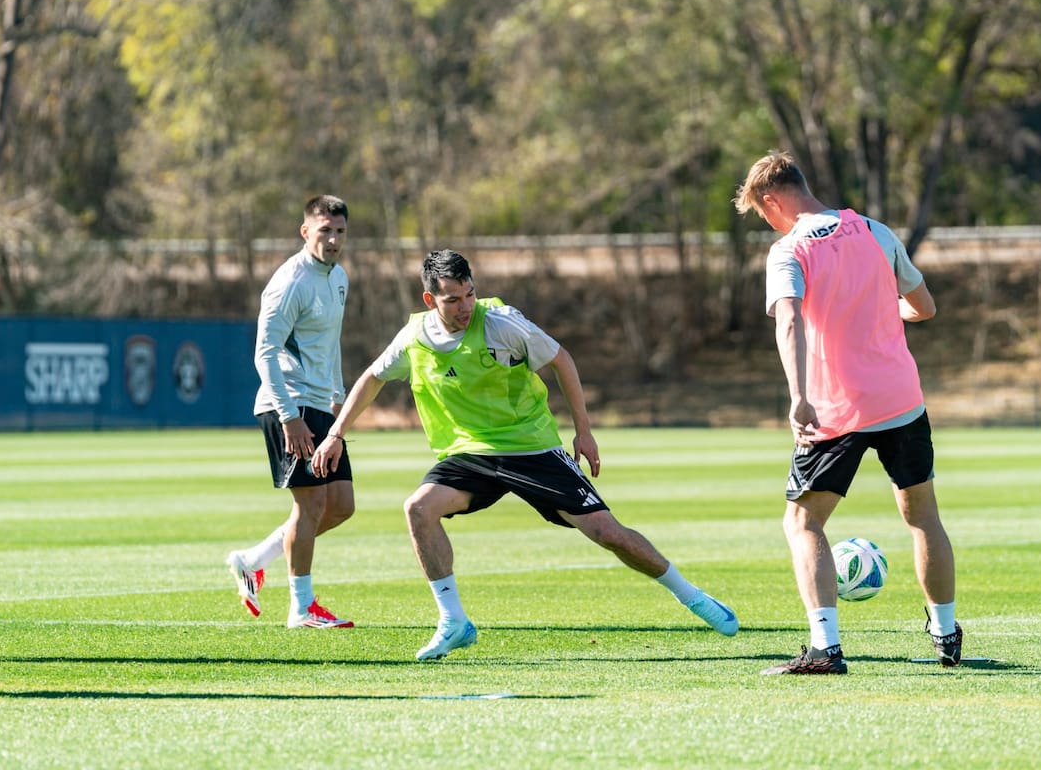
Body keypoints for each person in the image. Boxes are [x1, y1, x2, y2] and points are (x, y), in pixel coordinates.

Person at [310, 249, 740, 660]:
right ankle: (453, 620)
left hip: (531, 447)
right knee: (418, 509)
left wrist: (583, 432)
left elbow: (561, 360)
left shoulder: (501, 322)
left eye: (470, 294)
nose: (464, 307)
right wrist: (336, 434)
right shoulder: (415, 336)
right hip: (470, 453)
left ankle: (691, 595)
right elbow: (372, 377)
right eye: (452, 300)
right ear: (430, 299)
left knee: (608, 534)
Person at [734, 151, 962, 674]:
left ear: (773, 201)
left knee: (803, 521)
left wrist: (797, 395)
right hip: (902, 400)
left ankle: (825, 648)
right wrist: (887, 312)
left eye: (761, 212)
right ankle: (947, 637)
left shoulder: (789, 250)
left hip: (835, 409)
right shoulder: (876, 231)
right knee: (923, 515)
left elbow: (788, 322)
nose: (766, 222)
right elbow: (923, 307)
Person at [225, 194, 357, 629]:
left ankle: (252, 560)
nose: (333, 239)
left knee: (341, 504)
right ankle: (302, 607)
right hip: (290, 403)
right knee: (312, 504)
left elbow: (330, 342)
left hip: (320, 404)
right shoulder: (290, 281)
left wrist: (337, 398)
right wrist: (289, 416)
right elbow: (264, 353)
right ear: (306, 232)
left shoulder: (338, 278)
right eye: (325, 231)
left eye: (339, 231)